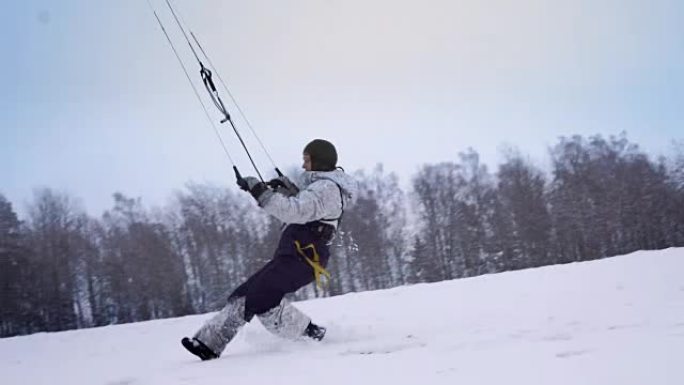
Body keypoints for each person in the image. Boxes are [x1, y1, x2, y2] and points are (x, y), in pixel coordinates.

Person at [181, 139, 358, 360]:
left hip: (304, 259)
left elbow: (295, 211)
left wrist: (259, 191)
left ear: (319, 161)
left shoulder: (327, 188)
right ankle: (312, 335)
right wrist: (289, 189)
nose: (303, 166)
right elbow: (308, 207)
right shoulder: (320, 188)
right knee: (256, 298)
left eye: (307, 160)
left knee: (254, 296)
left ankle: (208, 345)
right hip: (293, 256)